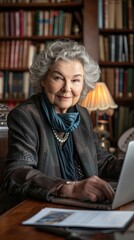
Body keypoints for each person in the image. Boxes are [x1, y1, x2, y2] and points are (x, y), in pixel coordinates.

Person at [0, 39, 122, 213]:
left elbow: (102, 162)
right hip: (37, 209)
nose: (67, 88)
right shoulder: (25, 116)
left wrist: (129, 167)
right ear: (43, 80)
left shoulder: (81, 115)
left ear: (84, 84)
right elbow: (18, 174)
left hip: (79, 207)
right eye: (58, 78)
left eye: (76, 80)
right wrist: (69, 188)